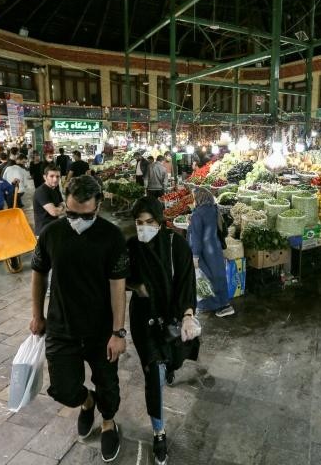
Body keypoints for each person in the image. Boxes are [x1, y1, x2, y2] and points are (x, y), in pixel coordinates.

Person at [29, 175, 128, 463]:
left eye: (84, 215)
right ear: (64, 205)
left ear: (98, 207)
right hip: (61, 327)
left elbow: (118, 286)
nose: (76, 220)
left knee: (108, 385)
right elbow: (38, 274)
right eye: (71, 213)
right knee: (63, 388)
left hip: (101, 331)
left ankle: (108, 422)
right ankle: (86, 402)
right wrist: (37, 315)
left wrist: (118, 333)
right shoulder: (52, 233)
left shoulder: (112, 236)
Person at [127, 196, 200, 465]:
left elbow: (185, 282)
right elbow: (120, 277)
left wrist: (188, 314)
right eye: (139, 222)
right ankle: (159, 431)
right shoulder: (132, 246)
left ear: (160, 222)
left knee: (173, 360)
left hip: (171, 316)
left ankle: (170, 365)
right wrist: (136, 287)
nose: (144, 227)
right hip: (143, 320)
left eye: (149, 222)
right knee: (153, 372)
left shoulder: (175, 245)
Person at [188, 187, 234, 317]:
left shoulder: (197, 214)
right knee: (218, 277)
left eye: (194, 198)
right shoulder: (213, 209)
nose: (193, 201)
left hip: (204, 252)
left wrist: (195, 256)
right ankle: (224, 304)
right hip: (215, 249)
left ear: (199, 198)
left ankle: (216, 306)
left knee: (206, 279)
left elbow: (196, 237)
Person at [33, 164, 64, 236]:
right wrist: (61, 207)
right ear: (45, 177)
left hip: (54, 227)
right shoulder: (41, 191)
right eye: (51, 176)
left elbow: (63, 204)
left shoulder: (56, 189)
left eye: (57, 176)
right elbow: (54, 212)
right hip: (44, 231)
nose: (55, 179)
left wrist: (60, 207)